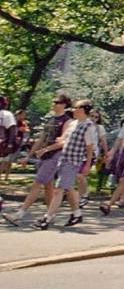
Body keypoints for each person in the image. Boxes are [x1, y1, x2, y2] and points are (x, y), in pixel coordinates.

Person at [3, 93, 72, 226]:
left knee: (37, 183)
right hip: (44, 155)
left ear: (64, 104)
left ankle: (19, 214)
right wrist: (29, 155)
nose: (54, 104)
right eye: (53, 102)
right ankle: (50, 215)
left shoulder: (67, 121)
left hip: (54, 156)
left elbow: (64, 142)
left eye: (57, 102)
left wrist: (46, 150)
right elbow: (41, 139)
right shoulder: (51, 119)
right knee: (48, 186)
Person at [32, 99, 97, 230]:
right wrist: (46, 149)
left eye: (76, 108)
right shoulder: (73, 124)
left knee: (58, 190)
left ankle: (47, 218)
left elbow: (90, 148)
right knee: (69, 188)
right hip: (63, 159)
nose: (73, 110)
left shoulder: (88, 126)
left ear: (84, 109)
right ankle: (77, 214)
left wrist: (87, 165)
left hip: (73, 162)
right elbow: (63, 142)